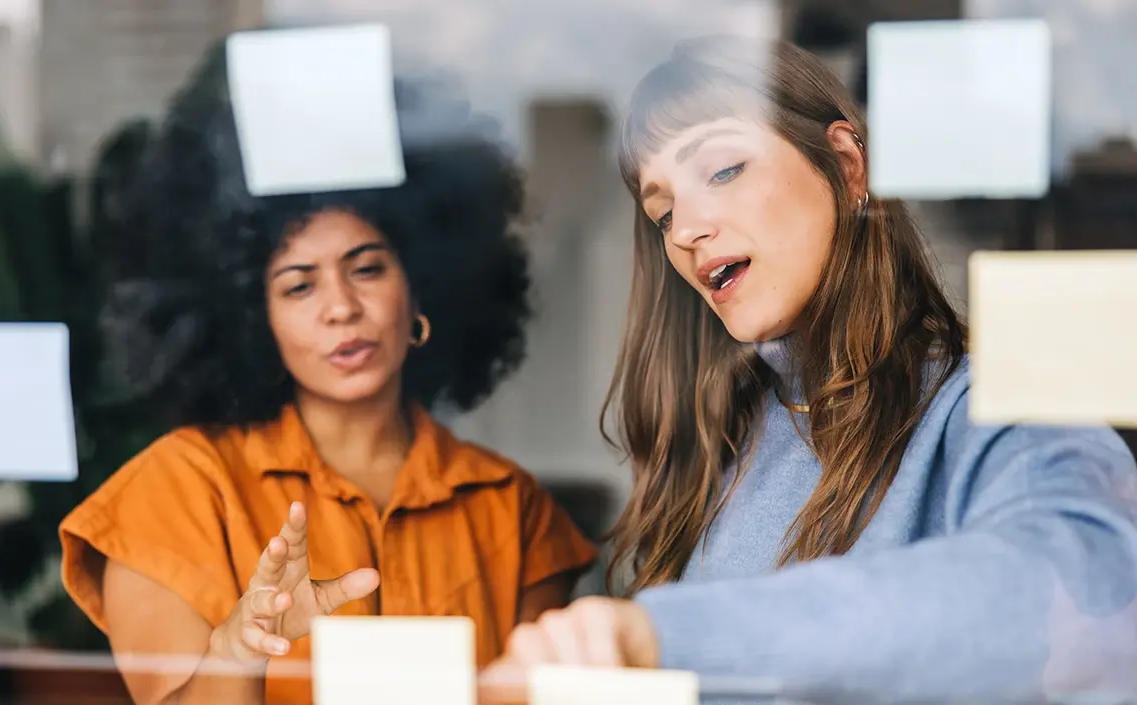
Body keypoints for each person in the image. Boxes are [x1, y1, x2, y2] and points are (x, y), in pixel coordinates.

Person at [478, 36, 1137, 705]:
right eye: (664, 211)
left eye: (724, 169)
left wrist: (661, 636)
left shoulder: (996, 411)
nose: (684, 231)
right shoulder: (717, 442)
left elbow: (1093, 595)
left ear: (848, 165)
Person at [59, 45, 598, 705]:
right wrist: (238, 649)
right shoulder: (173, 495)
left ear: (424, 288)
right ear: (251, 318)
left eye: (367, 267)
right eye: (298, 285)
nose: (342, 307)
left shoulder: (510, 509)